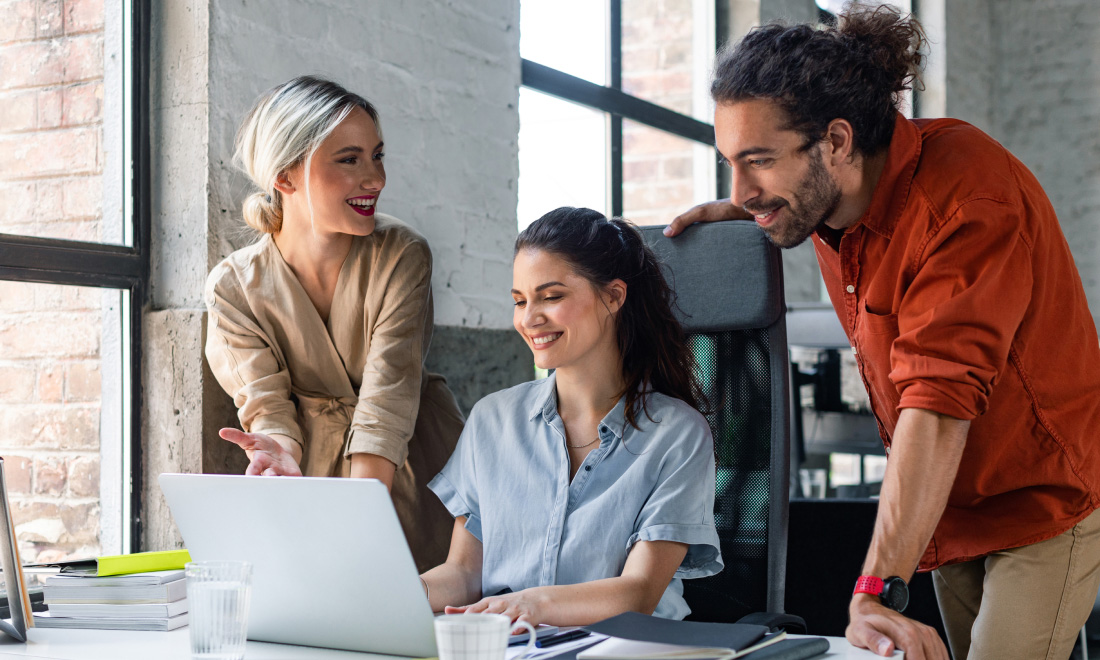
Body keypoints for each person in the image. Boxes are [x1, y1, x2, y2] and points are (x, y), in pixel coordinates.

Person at [664, 5, 1100, 660]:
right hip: (950, 502)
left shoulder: (967, 201)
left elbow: (936, 407)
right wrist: (755, 203)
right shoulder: (828, 193)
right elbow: (788, 187)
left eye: (757, 160)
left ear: (837, 141)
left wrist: (873, 587)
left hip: (1042, 500)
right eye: (731, 162)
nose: (742, 186)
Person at [204, 76, 464, 571]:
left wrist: (358, 521)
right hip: (313, 481)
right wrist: (279, 459)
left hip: (411, 462)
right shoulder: (234, 287)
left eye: (378, 156)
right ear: (285, 176)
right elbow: (267, 405)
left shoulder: (401, 254)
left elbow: (388, 402)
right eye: (350, 160)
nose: (376, 179)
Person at [418, 207, 723, 625]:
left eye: (552, 296)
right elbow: (465, 573)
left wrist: (532, 604)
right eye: (520, 301)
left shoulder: (677, 434)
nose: (529, 319)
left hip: (626, 651)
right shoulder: (493, 420)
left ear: (614, 296)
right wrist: (404, 593)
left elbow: (639, 592)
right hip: (516, 648)